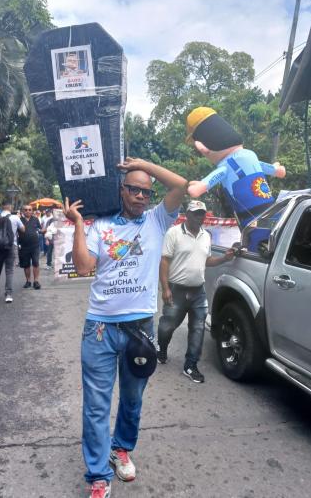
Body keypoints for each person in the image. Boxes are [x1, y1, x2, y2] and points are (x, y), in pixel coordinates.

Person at [64, 157, 187, 498]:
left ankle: (121, 448)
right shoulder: (100, 225)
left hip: (139, 329)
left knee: (132, 400)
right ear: (121, 190)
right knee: (96, 405)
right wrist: (77, 223)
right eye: (133, 189)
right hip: (100, 329)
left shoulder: (158, 220)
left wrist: (143, 164)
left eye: (146, 192)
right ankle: (99, 475)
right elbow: (85, 267)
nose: (140, 196)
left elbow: (181, 185)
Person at [157, 200, 234, 383]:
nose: (199, 217)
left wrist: (224, 258)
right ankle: (162, 349)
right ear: (187, 214)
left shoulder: (206, 235)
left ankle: (190, 364)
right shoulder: (174, 233)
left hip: (198, 291)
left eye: (202, 213)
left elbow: (206, 260)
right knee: (168, 325)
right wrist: (165, 288)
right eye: (196, 213)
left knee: (198, 328)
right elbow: (164, 262)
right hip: (176, 290)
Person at [0, 201, 24, 303]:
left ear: (2, 207)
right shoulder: (15, 218)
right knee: (9, 270)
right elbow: (23, 229)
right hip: (10, 246)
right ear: (10, 207)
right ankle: (8, 294)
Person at [18, 205, 42, 289]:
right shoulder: (19, 220)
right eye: (26, 210)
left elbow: (39, 229)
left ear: (32, 211)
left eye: (29, 210)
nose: (28, 211)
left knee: (35, 263)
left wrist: (43, 231)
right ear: (23, 211)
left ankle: (36, 281)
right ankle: (28, 281)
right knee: (26, 265)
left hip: (35, 246)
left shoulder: (35, 219)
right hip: (23, 246)